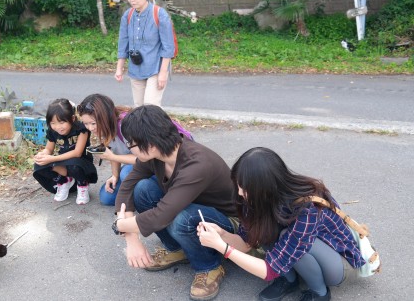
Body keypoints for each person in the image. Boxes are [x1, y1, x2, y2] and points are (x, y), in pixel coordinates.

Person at [198, 147, 366, 301]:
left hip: (337, 264)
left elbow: (269, 270)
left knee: (287, 236)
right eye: (238, 186)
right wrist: (222, 235)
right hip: (297, 252)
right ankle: (288, 279)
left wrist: (222, 247)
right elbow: (246, 244)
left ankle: (319, 293)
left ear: (264, 187)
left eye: (244, 188)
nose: (240, 193)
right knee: (264, 227)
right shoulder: (255, 200)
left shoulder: (307, 208)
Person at [111, 105, 238, 301]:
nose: (130, 148)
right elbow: (127, 186)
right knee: (143, 189)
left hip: (228, 222)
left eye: (131, 143)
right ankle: (178, 249)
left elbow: (162, 215)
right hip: (193, 207)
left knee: (182, 218)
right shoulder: (157, 154)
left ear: (150, 143)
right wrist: (131, 239)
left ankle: (209, 266)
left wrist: (120, 225)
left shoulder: (197, 164)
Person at [115, 0, 176, 107]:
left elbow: (168, 47)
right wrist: (119, 68)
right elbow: (123, 43)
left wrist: (163, 73)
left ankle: (159, 128)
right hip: (136, 68)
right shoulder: (128, 15)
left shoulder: (159, 14)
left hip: (156, 67)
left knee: (150, 107)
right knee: (139, 108)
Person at [77, 94, 140, 206]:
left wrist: (112, 157)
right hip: (134, 167)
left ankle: (144, 199)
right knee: (106, 198)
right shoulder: (105, 127)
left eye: (93, 123)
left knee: (126, 173)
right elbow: (113, 151)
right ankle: (135, 195)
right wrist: (114, 175)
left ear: (104, 117)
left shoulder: (126, 125)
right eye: (86, 124)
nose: (90, 128)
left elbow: (143, 158)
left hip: (153, 166)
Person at [33, 98, 97, 204]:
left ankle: (82, 184)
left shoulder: (81, 129)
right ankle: (63, 181)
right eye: (53, 123)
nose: (58, 127)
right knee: (39, 165)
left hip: (82, 163)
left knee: (74, 165)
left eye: (62, 122)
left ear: (72, 118)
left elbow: (77, 153)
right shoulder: (53, 131)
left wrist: (52, 158)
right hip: (64, 161)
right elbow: (49, 148)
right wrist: (43, 154)